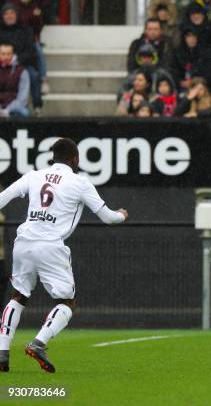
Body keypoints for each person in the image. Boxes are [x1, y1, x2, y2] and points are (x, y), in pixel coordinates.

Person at [0, 138, 128, 373]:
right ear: (75, 159)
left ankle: (2, 353)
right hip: (50, 245)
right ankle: (39, 343)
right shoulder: (80, 182)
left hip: (24, 242)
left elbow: (1, 200)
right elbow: (109, 218)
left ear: (53, 157)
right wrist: (122, 214)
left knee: (17, 297)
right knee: (66, 302)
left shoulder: (33, 176)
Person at [0, 42, 29, 117]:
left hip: (14, 107)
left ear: (13, 54)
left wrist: (7, 110)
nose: (6, 57)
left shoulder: (22, 71)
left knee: (23, 112)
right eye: (3, 54)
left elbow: (23, 98)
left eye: (8, 54)